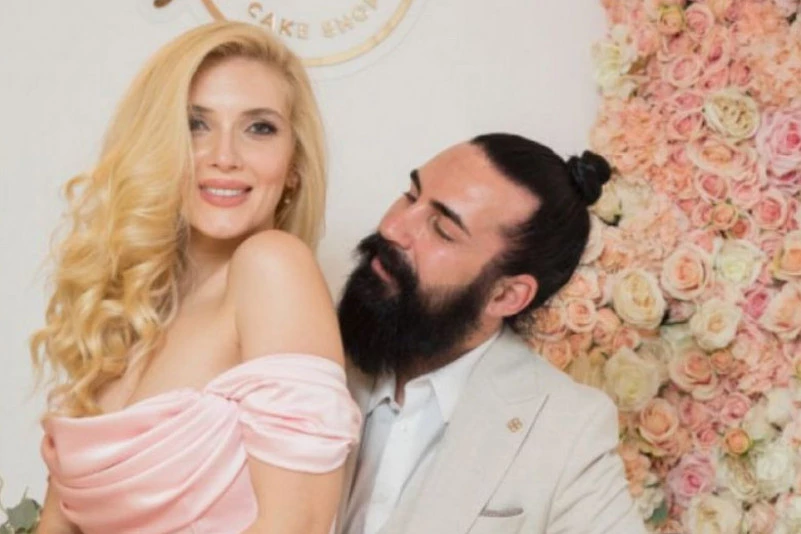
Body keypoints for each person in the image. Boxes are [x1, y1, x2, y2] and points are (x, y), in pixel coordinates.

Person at [31, 21, 361, 534]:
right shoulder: (126, 310)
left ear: (294, 163)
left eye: (259, 128)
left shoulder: (273, 268)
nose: (224, 157)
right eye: (195, 124)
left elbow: (296, 525)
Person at [335, 133, 647, 534]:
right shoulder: (305, 340)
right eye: (411, 196)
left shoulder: (567, 429)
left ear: (505, 295)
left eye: (442, 229)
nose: (393, 227)